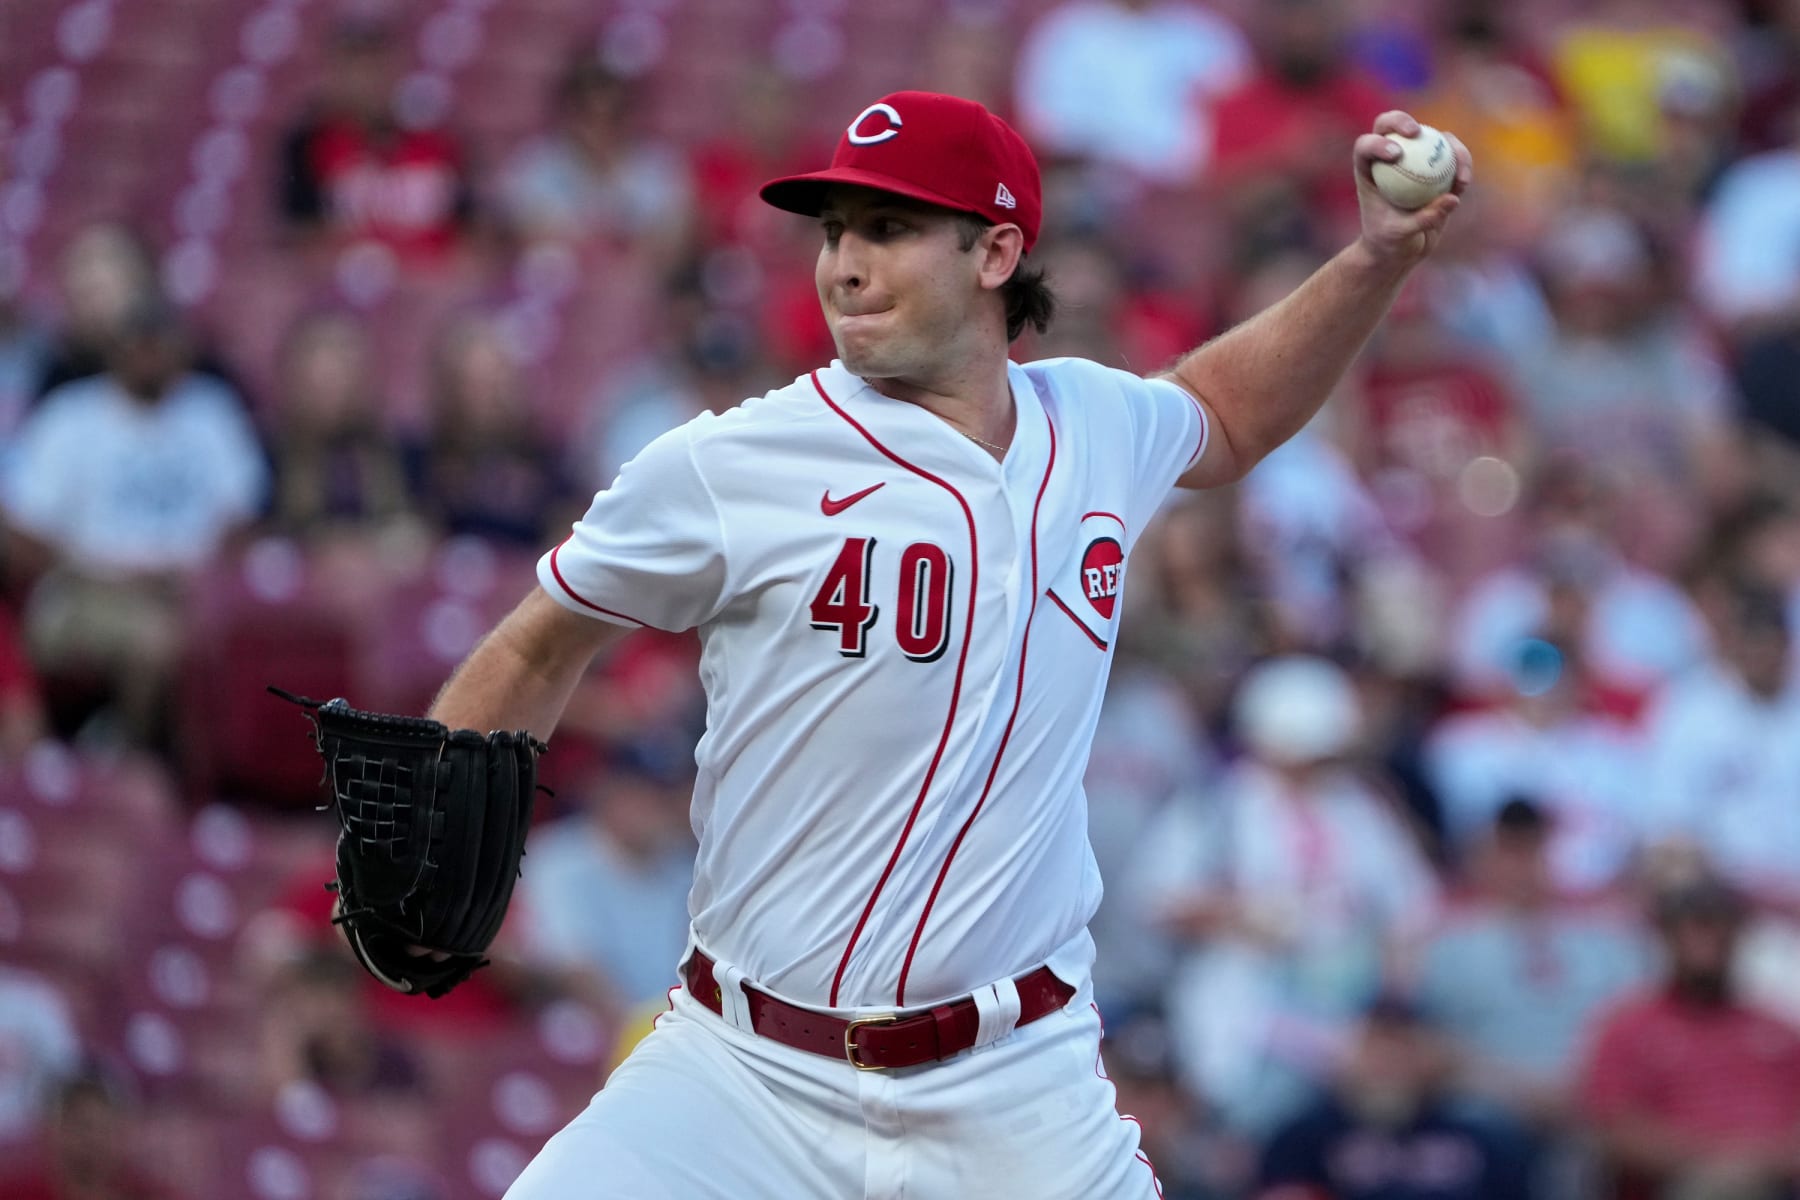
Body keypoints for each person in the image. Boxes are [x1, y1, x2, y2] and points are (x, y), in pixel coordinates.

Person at [414, 89, 1468, 1197]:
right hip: (742, 1074)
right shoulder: (731, 465)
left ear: (996, 250)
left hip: (1015, 1087)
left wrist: (1374, 259)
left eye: (889, 229)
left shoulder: (1094, 428)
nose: (845, 265)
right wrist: (441, 815)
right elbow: (543, 637)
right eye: (834, 232)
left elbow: (1228, 413)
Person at [1578, 872, 1800, 1200]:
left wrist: (1755, 1164)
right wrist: (1715, 1162)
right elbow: (1613, 1128)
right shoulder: (1627, 1027)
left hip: (1774, 1181)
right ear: (1668, 937)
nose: (1707, 938)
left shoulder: (1777, 1029)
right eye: (1695, 926)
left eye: (1718, 926)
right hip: (1675, 1184)